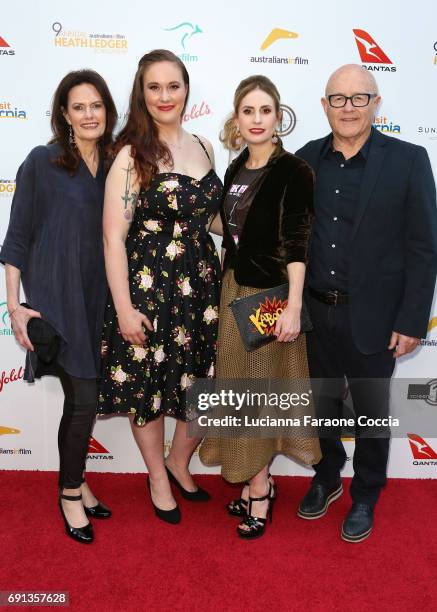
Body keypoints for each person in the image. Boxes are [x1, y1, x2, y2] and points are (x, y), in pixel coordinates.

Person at [296, 64, 437, 542]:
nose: (349, 108)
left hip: (375, 317)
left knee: (372, 412)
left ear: (376, 104)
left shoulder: (409, 159)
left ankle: (367, 492)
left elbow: (423, 247)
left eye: (360, 98)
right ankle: (328, 474)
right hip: (314, 313)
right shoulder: (304, 160)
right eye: (339, 98)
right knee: (323, 406)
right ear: (324, 106)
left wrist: (413, 318)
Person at [98, 49, 221, 524]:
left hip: (202, 287)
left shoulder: (205, 145)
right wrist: (124, 310)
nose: (165, 96)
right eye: (155, 87)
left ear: (186, 89)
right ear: (142, 93)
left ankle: (178, 460)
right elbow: (113, 238)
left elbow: (208, 217)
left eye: (174, 86)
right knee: (148, 386)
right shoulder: (132, 154)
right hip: (149, 285)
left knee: (204, 384)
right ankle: (156, 475)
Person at [199, 75, 321, 539]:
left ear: (278, 116)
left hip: (270, 298)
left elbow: (297, 241)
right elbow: (232, 231)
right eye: (247, 111)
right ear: (237, 118)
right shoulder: (234, 170)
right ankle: (255, 479)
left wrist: (292, 306)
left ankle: (260, 489)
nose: (256, 120)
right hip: (234, 288)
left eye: (264, 111)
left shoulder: (294, 171)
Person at [0, 70, 117, 544]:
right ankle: (70, 493)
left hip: (102, 302)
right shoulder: (41, 162)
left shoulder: (117, 164)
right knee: (85, 398)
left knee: (82, 401)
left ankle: (79, 480)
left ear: (107, 111)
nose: (89, 114)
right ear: (64, 115)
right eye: (79, 107)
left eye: (97, 105)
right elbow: (17, 238)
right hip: (57, 302)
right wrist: (14, 307)